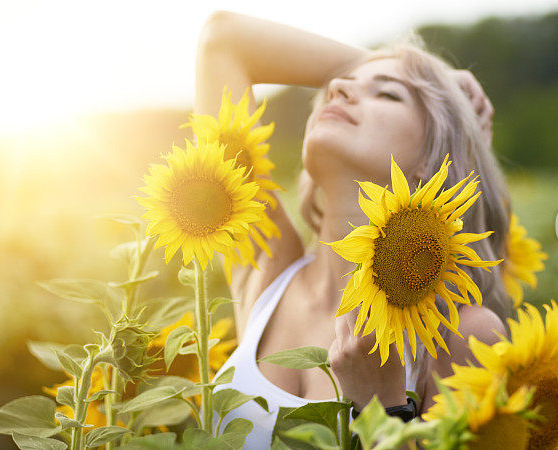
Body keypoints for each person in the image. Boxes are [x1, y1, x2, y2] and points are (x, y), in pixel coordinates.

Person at [196, 11, 514, 448]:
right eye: (338, 86)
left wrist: (382, 405)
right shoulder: (267, 270)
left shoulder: (462, 336)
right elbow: (223, 39)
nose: (339, 87)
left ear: (433, 156)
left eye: (387, 93)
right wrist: (411, 72)